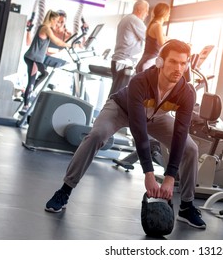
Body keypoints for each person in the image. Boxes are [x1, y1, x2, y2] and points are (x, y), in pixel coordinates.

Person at [45, 39, 207, 229]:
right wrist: (149, 173)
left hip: (156, 116)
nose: (178, 68)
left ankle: (187, 206)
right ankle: (65, 190)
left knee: (190, 148)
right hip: (121, 109)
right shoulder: (141, 81)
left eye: (183, 63)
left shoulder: (186, 92)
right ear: (160, 62)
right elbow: (138, 129)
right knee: (96, 135)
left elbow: (180, 132)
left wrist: (170, 177)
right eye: (173, 61)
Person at [21, 10, 71, 113]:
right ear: (52, 20)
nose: (57, 23)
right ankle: (26, 106)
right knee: (31, 82)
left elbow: (46, 46)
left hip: (35, 58)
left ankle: (29, 91)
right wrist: (69, 45)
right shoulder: (46, 28)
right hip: (33, 58)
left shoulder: (44, 28)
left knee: (45, 73)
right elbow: (56, 41)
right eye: (57, 21)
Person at [109, 0, 149, 96]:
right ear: (139, 9)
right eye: (146, 11)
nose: (147, 14)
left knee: (117, 94)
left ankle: (109, 111)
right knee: (117, 96)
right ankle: (107, 111)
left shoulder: (127, 19)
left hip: (120, 61)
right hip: (124, 62)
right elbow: (149, 37)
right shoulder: (135, 20)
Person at [135, 2, 170, 73]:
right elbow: (162, 45)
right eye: (169, 13)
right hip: (149, 62)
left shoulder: (153, 25)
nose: (169, 15)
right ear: (164, 13)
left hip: (145, 61)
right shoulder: (158, 26)